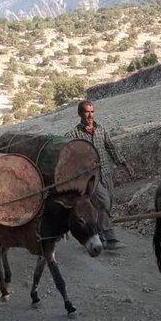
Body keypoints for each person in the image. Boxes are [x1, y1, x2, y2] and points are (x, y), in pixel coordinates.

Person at [65, 100, 134, 250]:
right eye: (86, 112)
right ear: (80, 114)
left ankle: (97, 235)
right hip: (89, 178)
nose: (90, 115)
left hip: (106, 172)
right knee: (104, 202)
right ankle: (110, 238)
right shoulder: (72, 134)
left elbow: (111, 148)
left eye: (92, 111)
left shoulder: (101, 130)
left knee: (104, 204)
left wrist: (124, 164)